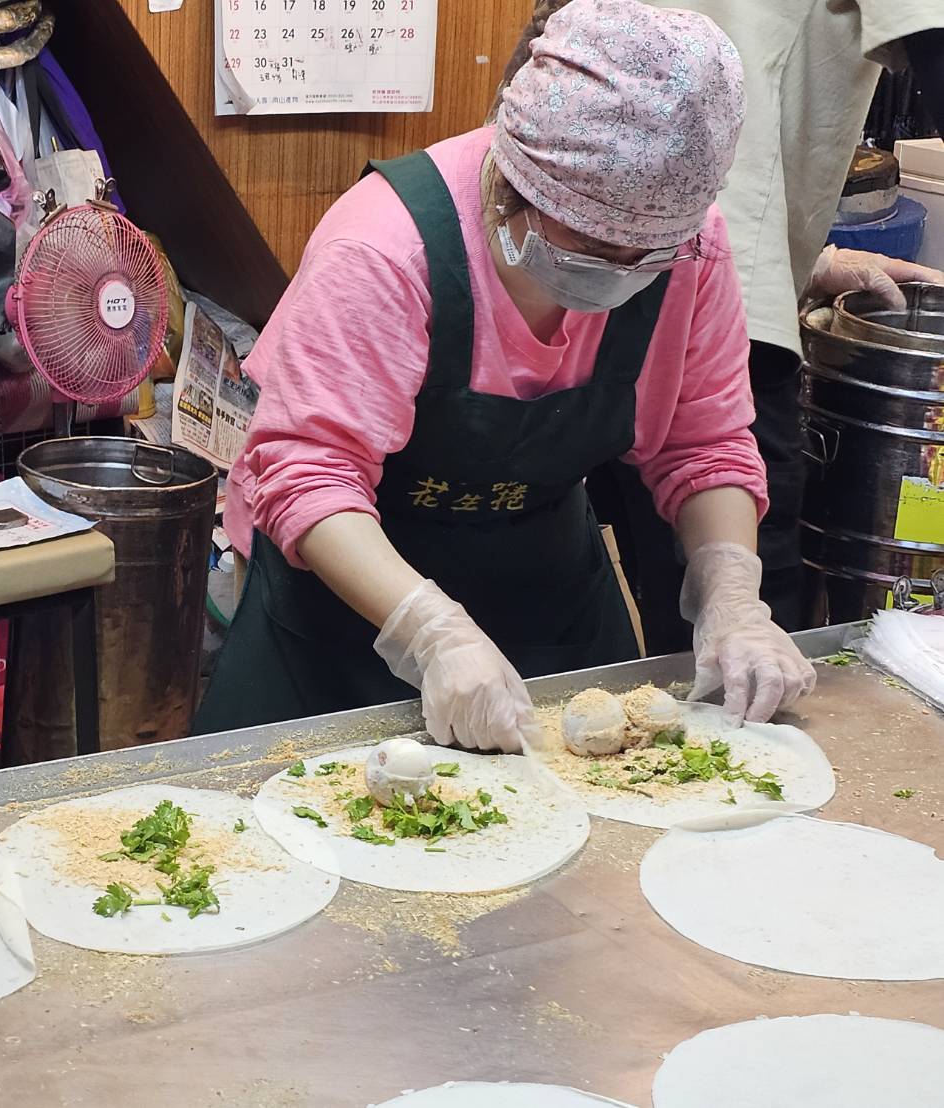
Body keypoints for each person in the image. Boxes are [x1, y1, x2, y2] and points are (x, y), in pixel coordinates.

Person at [192, 0, 814, 751]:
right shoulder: (387, 247)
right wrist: (433, 632)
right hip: (340, 621)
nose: (621, 274)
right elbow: (308, 472)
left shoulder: (687, 247)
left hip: (545, 602)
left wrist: (731, 596)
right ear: (512, 183)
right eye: (588, 243)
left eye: (646, 256)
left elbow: (703, 443)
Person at [489, 0, 944, 652]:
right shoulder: (385, 241)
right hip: (685, 258)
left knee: (690, 603)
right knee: (740, 634)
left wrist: (802, 257)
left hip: (561, 245)